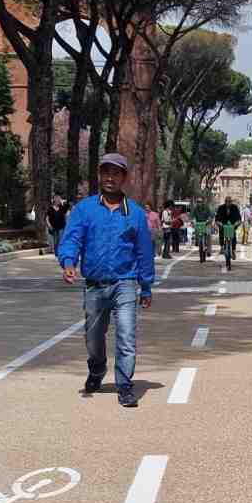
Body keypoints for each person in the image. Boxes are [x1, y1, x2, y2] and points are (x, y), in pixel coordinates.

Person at [55, 152, 154, 409]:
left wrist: (146, 286)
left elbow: (144, 251)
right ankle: (97, 369)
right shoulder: (84, 209)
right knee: (93, 337)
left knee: (126, 336)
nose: (110, 177)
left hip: (125, 283)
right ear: (100, 176)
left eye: (116, 173)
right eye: (105, 172)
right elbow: (72, 239)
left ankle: (124, 385)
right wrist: (68, 263)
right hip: (95, 285)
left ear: (124, 178)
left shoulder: (135, 214)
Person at [214, 196, 243, 265]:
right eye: (226, 201)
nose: (228, 203)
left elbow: (238, 218)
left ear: (231, 202)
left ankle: (233, 250)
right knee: (221, 233)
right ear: (225, 202)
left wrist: (236, 223)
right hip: (223, 225)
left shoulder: (235, 207)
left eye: (229, 201)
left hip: (232, 225)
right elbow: (217, 218)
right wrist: (219, 223)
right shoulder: (221, 208)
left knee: (234, 236)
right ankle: (221, 247)